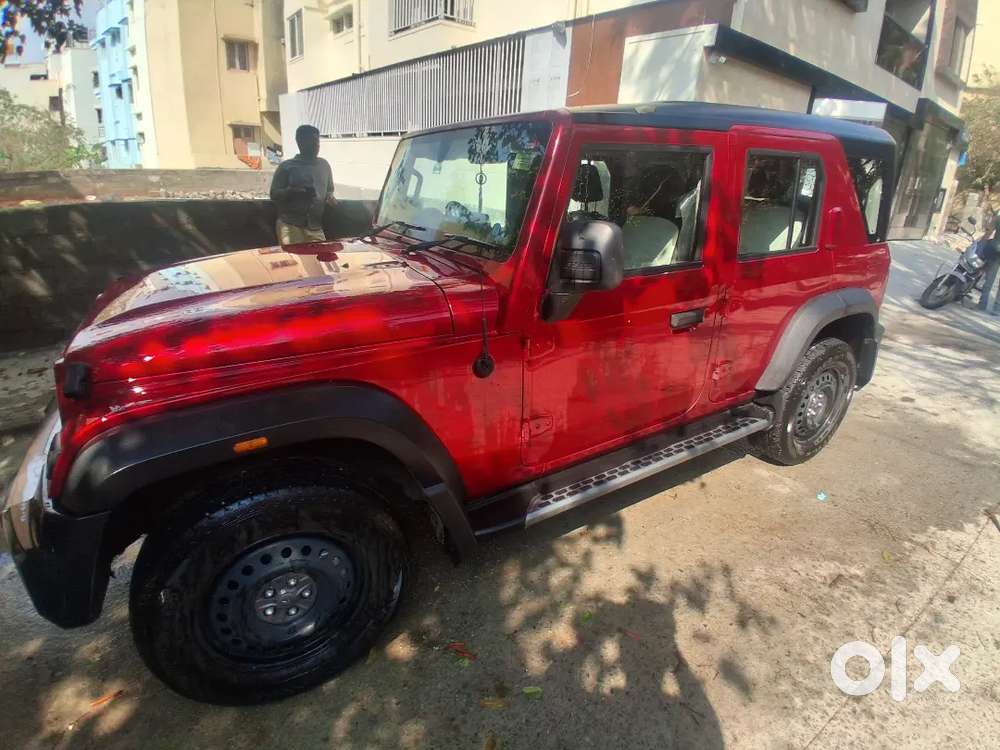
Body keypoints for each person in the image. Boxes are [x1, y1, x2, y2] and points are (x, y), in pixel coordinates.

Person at [269, 125, 335, 245]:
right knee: (295, 262)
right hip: (290, 227)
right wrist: (292, 191)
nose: (316, 146)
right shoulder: (286, 167)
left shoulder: (324, 165)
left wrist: (330, 197)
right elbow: (273, 194)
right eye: (312, 142)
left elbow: (329, 190)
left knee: (320, 260)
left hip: (315, 227)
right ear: (301, 143)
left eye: (317, 142)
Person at [976, 215, 1000, 315]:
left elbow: (988, 232)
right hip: (996, 249)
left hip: (995, 250)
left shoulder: (997, 218)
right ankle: (997, 309)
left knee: (989, 278)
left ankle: (982, 304)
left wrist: (980, 244)